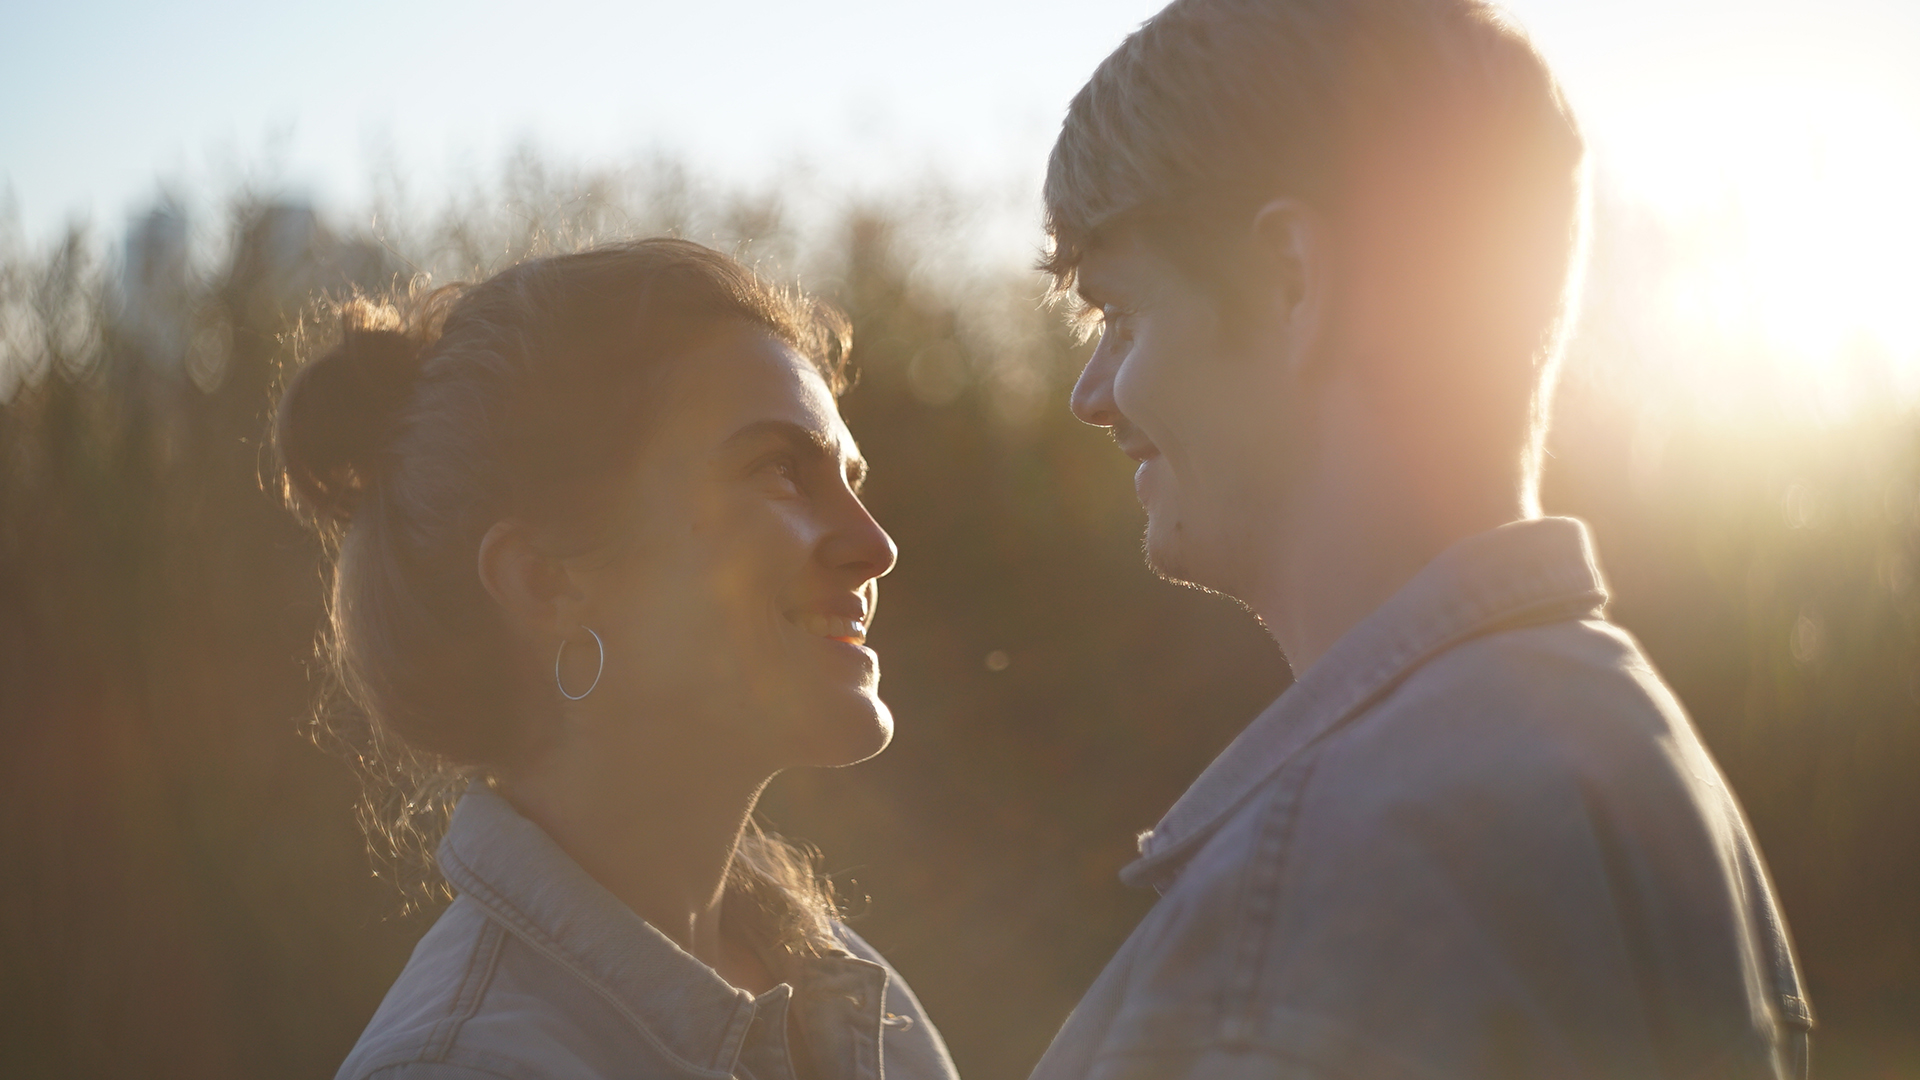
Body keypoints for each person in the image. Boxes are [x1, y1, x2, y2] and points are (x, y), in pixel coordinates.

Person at [1030, 1, 1812, 1077]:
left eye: (1119, 314)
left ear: (1290, 281)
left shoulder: (1333, 878)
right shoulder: (1643, 766)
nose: (1090, 394)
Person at [274, 239, 959, 1080]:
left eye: (852, 478)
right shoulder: (463, 1065)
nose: (876, 544)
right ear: (548, 580)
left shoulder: (850, 999)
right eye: (779, 470)